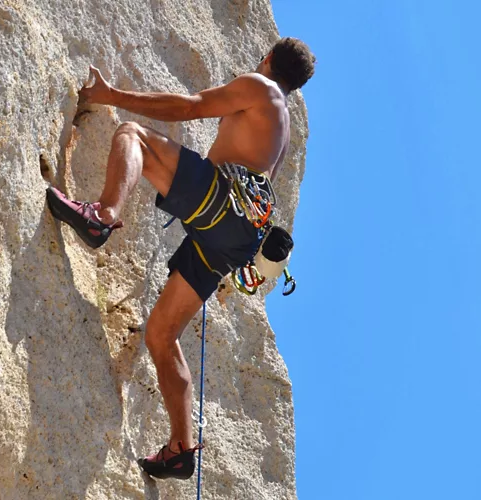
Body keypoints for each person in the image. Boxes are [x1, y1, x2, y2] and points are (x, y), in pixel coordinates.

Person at [46, 37, 315, 480]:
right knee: (161, 333)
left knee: (133, 135)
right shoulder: (281, 129)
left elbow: (190, 106)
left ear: (266, 58)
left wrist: (111, 95)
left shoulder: (260, 87)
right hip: (234, 241)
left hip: (221, 205)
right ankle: (181, 448)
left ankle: (103, 216)